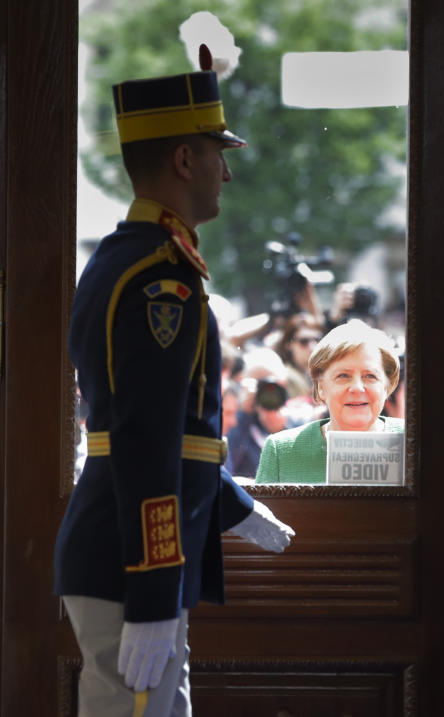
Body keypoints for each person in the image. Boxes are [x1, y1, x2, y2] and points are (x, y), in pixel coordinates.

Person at [54, 45, 295, 717]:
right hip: (128, 563)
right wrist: (156, 590)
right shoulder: (159, 278)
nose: (226, 170)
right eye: (217, 152)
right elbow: (142, 438)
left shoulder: (131, 261)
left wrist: (233, 506)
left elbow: (168, 432)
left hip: (124, 549)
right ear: (184, 161)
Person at [255, 319, 404, 484]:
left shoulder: (413, 442)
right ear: (320, 387)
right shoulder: (281, 451)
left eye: (370, 376)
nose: (357, 388)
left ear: (387, 386)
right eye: (343, 376)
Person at [225, 377, 290, 478]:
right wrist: (245, 413)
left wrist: (281, 431)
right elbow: (230, 460)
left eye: (274, 394)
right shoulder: (242, 424)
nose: (270, 399)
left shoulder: (290, 423)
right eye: (265, 394)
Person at [274, 312, 324, 399]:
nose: (312, 347)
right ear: (288, 344)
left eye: (317, 340)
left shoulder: (323, 373)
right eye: (304, 341)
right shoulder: (285, 377)